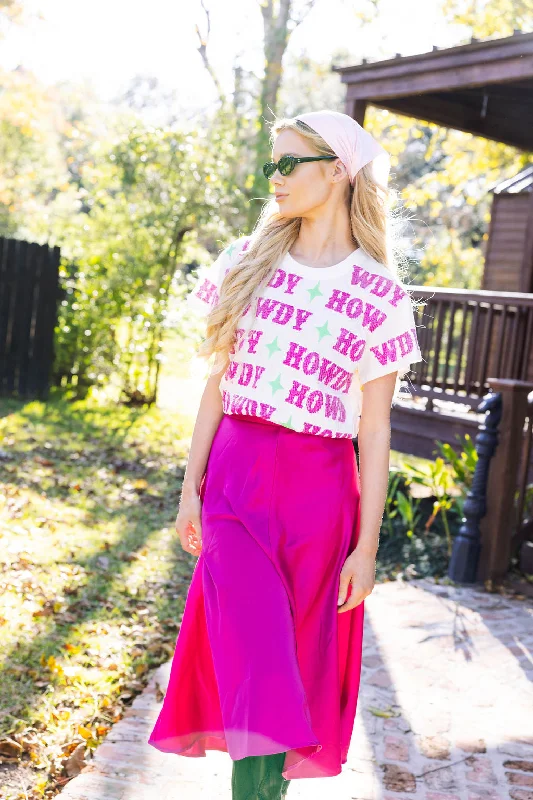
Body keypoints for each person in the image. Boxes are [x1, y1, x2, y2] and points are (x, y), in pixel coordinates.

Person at [148, 109, 422, 798]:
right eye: (270, 163)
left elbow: (377, 431)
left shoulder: (379, 293)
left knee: (293, 668)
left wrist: (366, 548)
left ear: (336, 171)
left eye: (286, 163)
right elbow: (215, 383)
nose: (272, 178)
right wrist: (191, 488)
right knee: (261, 666)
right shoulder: (247, 259)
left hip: (321, 491)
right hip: (237, 477)